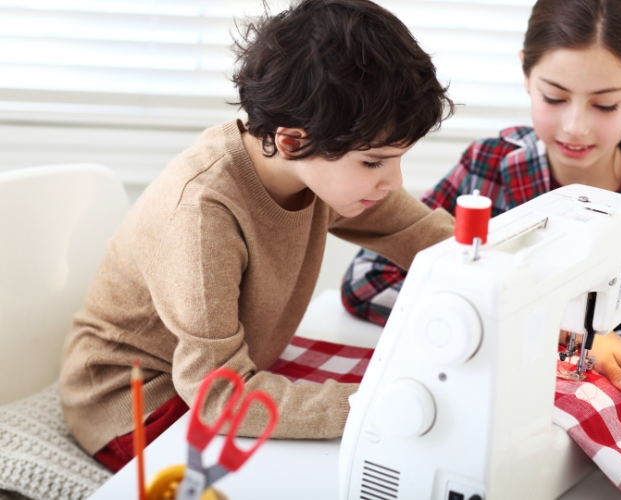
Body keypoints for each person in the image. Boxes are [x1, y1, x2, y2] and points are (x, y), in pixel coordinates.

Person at [58, 0, 459, 471]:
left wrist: (495, 261)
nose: (393, 180)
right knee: (335, 464)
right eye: (374, 162)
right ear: (292, 140)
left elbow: (419, 231)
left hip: (221, 375)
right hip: (138, 403)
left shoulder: (316, 165)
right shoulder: (203, 213)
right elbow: (220, 396)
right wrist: (372, 401)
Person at [342, 0, 621, 433]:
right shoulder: (489, 166)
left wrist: (584, 345)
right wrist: (558, 339)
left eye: (604, 105)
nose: (575, 127)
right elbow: (368, 279)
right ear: (526, 74)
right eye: (554, 97)